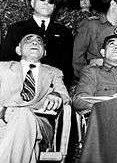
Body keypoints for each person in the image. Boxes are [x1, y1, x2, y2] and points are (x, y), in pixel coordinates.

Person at [0, 33, 70, 162]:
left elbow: (65, 96)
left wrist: (56, 94)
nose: (34, 42)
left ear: (44, 52)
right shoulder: (2, 68)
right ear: (18, 50)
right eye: (28, 40)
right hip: (2, 122)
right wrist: (3, 111)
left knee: (23, 114)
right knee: (26, 145)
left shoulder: (54, 72)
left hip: (39, 125)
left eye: (39, 41)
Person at [0, 0, 74, 88]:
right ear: (32, 3)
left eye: (51, 0)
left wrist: (58, 92)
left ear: (54, 6)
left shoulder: (64, 33)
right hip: (19, 87)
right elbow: (5, 61)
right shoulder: (17, 29)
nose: (46, 2)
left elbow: (67, 68)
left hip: (53, 90)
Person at [72, 0, 117, 80]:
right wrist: (86, 79)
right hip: (94, 80)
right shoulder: (91, 25)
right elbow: (78, 57)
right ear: (113, 3)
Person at [73, 34, 117, 114]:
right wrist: (105, 106)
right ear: (103, 52)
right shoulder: (92, 73)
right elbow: (79, 101)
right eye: (112, 44)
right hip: (103, 119)